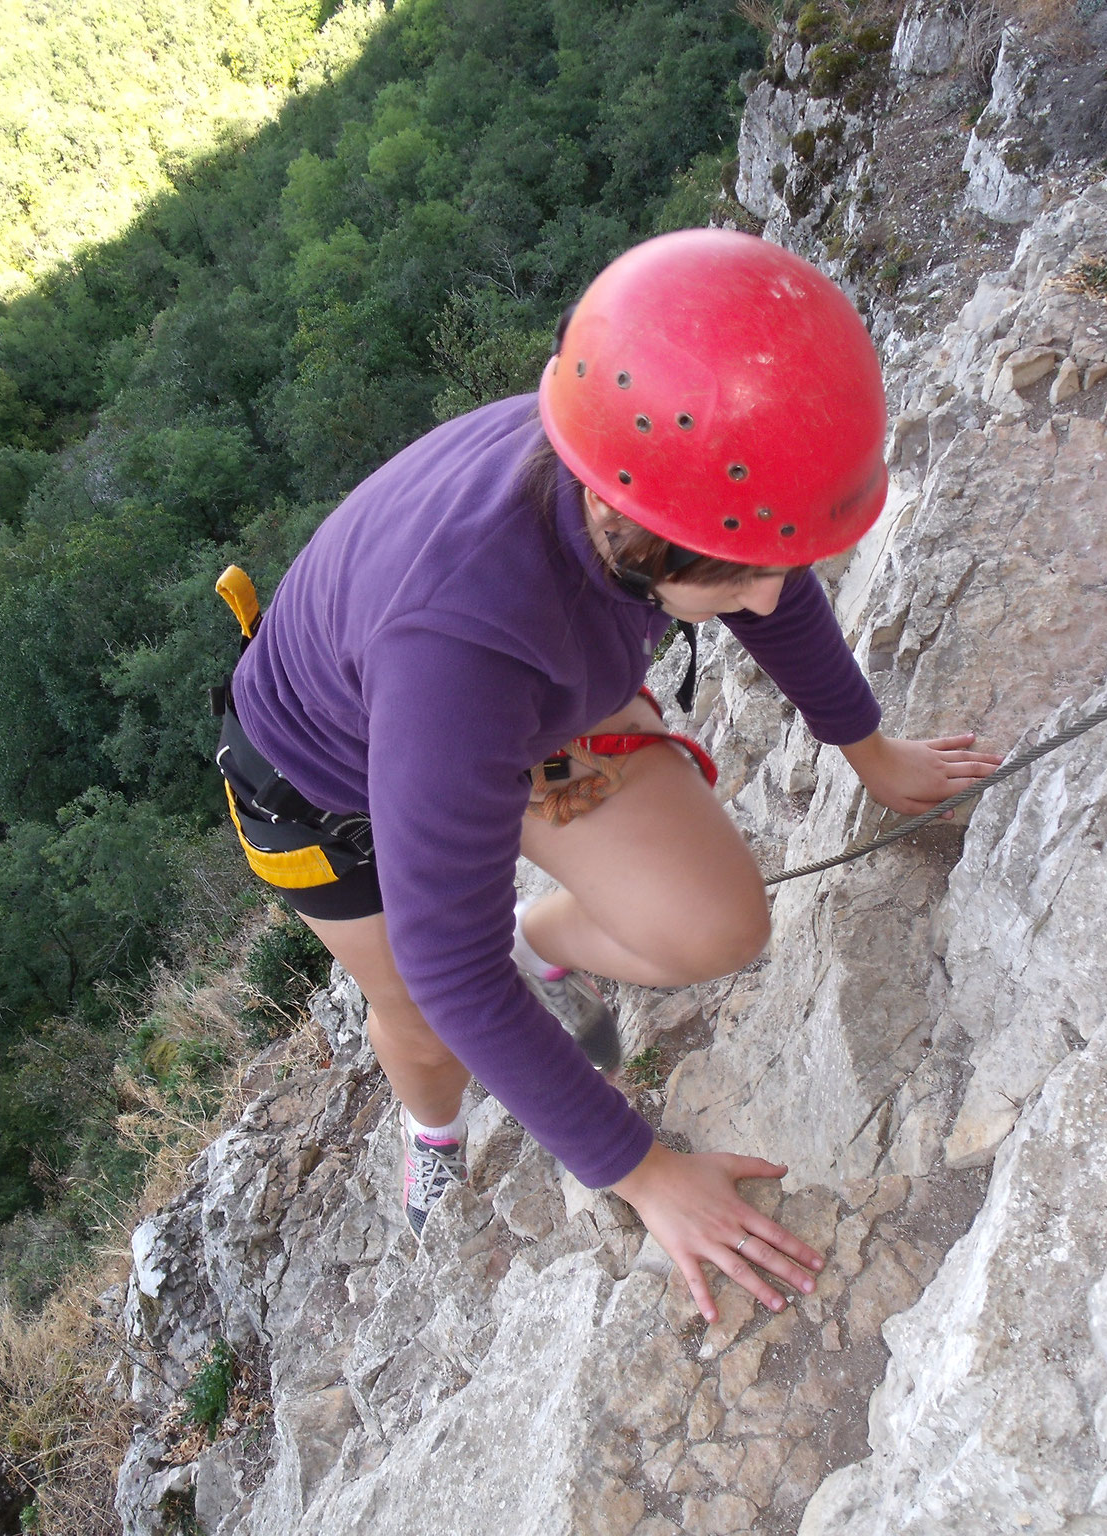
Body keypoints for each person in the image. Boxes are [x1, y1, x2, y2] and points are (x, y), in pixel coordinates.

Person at [214, 229, 1001, 1323]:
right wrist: (639, 1172)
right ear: (644, 545)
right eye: (740, 579)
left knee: (712, 926)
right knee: (424, 1018)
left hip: (525, 704)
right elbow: (446, 961)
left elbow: (767, 577)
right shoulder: (458, 648)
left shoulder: (636, 472)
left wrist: (866, 748)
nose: (771, 600)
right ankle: (431, 1137)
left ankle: (541, 942)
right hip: (324, 783)